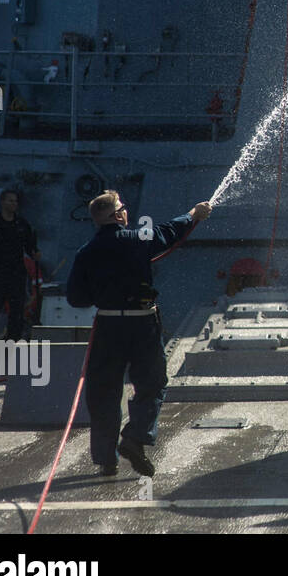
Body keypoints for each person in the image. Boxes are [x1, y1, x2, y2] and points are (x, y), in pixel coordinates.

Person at [66, 191, 211, 477]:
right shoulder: (137, 240)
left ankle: (107, 460)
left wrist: (104, 296)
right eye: (122, 208)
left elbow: (76, 298)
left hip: (107, 326)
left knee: (104, 392)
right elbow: (168, 233)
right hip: (142, 324)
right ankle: (135, 437)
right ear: (117, 216)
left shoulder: (85, 252)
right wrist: (194, 214)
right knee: (152, 384)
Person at [0, 189, 38, 340]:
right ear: (2, 202)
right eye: (10, 201)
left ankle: (13, 341)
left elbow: (30, 246)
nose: (13, 204)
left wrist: (35, 252)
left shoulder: (22, 224)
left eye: (15, 201)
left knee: (16, 311)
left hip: (16, 272)